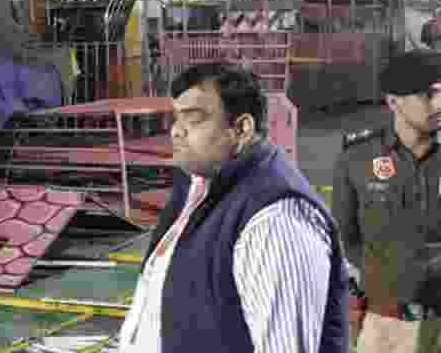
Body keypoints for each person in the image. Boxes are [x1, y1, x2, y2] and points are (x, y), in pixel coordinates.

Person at [114, 62, 348, 353]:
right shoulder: (200, 186)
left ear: (241, 128)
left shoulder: (275, 218)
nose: (176, 131)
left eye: (194, 119)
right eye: (176, 118)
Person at [335, 49, 441, 353]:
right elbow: (346, 237)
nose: (439, 103)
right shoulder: (357, 158)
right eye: (428, 95)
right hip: (387, 322)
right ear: (394, 102)